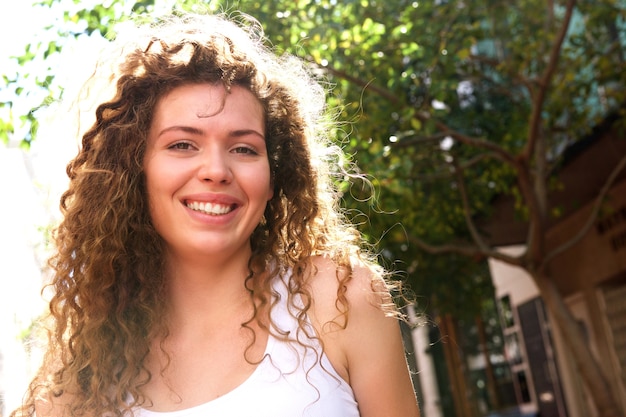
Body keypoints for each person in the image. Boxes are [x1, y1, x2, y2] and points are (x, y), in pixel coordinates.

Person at [12, 11, 420, 417]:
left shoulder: (339, 300)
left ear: (274, 176)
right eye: (182, 145)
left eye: (243, 149)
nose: (217, 171)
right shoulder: (80, 375)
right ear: (134, 170)